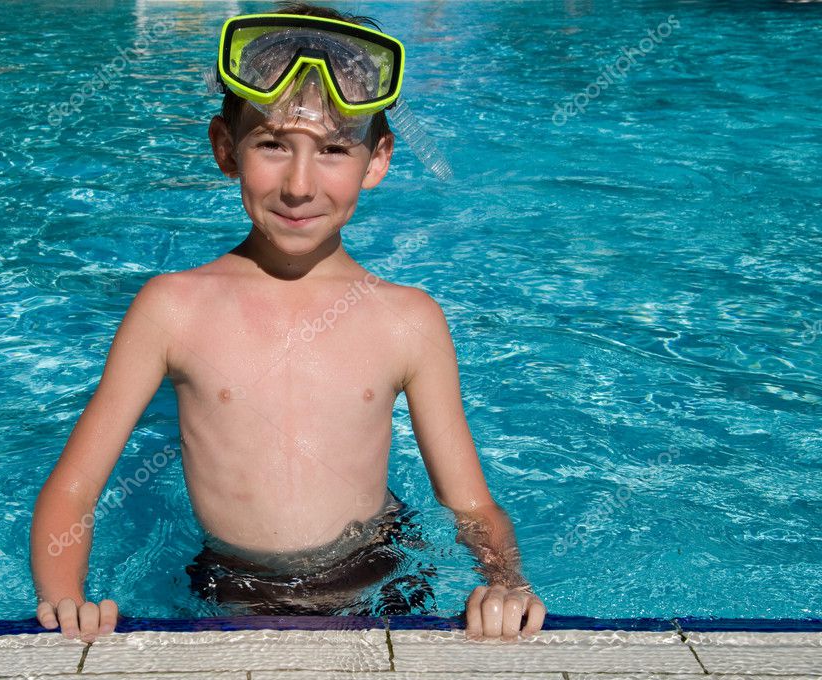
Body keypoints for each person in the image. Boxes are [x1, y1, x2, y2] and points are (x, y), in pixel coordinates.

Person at [30, 1, 547, 644]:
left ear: (378, 159)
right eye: (273, 144)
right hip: (231, 585)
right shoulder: (171, 309)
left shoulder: (408, 320)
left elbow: (472, 506)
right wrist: (64, 603)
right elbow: (72, 494)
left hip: (385, 578)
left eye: (333, 149)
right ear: (226, 149)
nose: (300, 185)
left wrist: (506, 582)